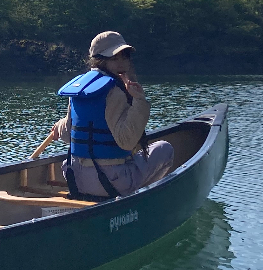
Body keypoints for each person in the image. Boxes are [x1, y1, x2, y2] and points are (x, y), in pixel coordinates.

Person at [48, 31, 175, 199]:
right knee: (165, 149)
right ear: (99, 60)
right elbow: (126, 140)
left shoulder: (81, 87)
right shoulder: (114, 91)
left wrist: (59, 125)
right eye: (114, 59)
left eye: (124, 57)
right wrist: (139, 101)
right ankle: (139, 199)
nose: (122, 63)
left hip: (75, 179)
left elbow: (67, 133)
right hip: (110, 183)